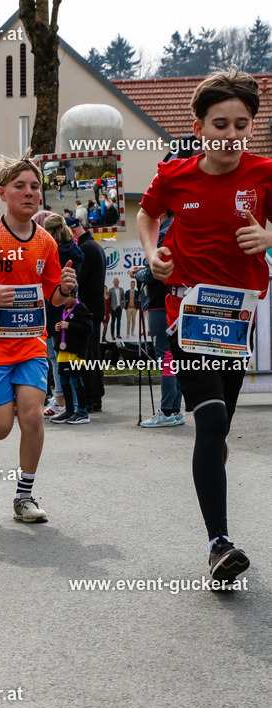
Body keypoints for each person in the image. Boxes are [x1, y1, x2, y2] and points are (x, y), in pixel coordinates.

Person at [137, 68, 272, 583]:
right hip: (186, 316)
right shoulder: (175, 176)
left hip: (237, 318)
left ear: (251, 127)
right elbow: (147, 216)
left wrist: (268, 237)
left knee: (220, 427)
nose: (231, 135)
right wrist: (153, 253)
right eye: (220, 125)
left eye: (241, 125)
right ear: (199, 128)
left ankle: (213, 451)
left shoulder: (264, 173)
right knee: (211, 422)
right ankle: (220, 544)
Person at [0, 154, 77, 523]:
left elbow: (54, 296)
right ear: (3, 193)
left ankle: (24, 497)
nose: (28, 192)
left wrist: (65, 289)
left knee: (33, 417)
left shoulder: (46, 243)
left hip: (30, 344)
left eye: (35, 187)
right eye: (20, 186)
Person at [135, 213, 184, 427]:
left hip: (160, 302)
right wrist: (144, 271)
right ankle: (175, 410)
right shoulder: (177, 227)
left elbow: (155, 272)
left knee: (166, 357)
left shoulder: (165, 231)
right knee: (174, 357)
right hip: (174, 299)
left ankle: (166, 412)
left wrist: (139, 275)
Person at [42, 214, 85, 414]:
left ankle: (62, 401)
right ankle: (70, 403)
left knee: (57, 357)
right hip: (69, 307)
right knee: (64, 358)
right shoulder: (74, 250)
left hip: (56, 309)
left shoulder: (58, 253)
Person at [70, 219, 106, 411]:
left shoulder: (85, 249)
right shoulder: (94, 246)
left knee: (88, 355)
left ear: (73, 231)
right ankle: (96, 396)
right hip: (96, 308)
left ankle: (91, 397)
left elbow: (79, 280)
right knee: (94, 354)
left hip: (88, 310)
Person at [50, 290, 93, 424]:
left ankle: (82, 411)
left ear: (74, 295)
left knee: (75, 380)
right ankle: (69, 410)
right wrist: (59, 327)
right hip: (64, 351)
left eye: (66, 297)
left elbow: (87, 328)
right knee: (64, 380)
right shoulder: (65, 309)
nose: (64, 301)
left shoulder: (81, 308)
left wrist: (70, 325)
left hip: (75, 352)